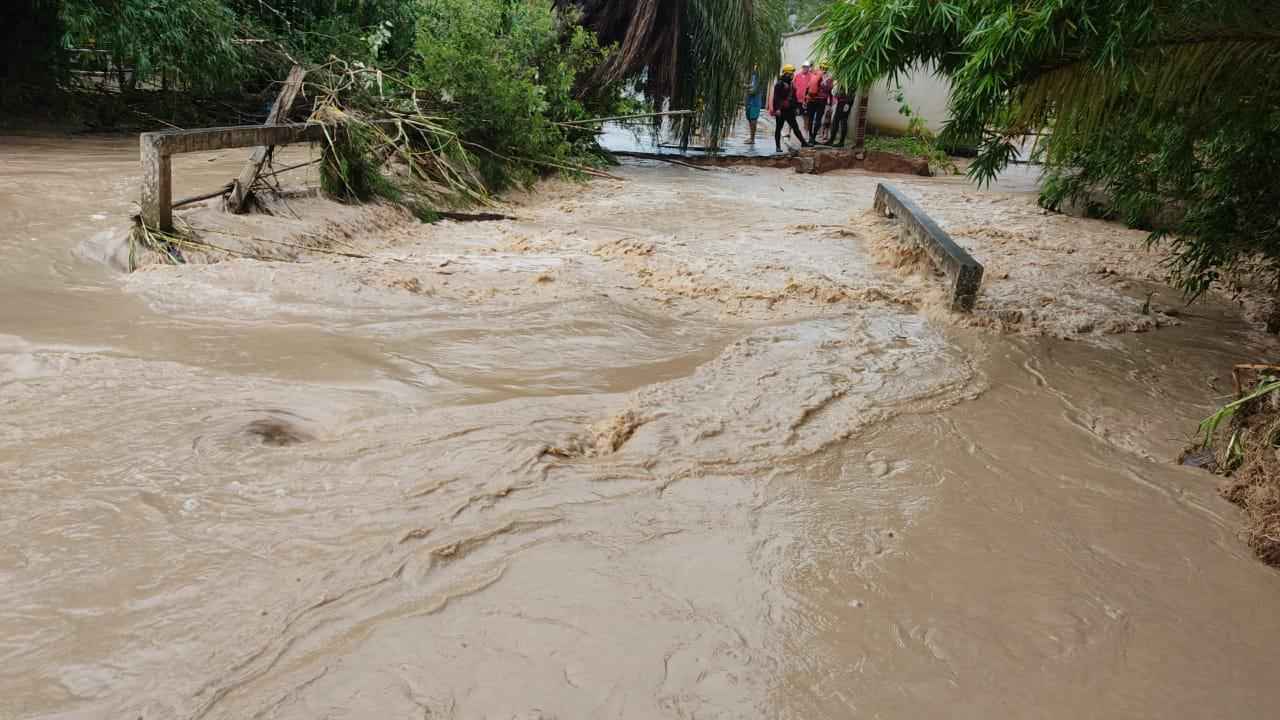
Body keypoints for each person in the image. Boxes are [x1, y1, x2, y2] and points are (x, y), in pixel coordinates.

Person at [772, 64, 808, 153]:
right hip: (781, 110)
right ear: (786, 74)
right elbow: (776, 98)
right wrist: (777, 109)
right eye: (791, 74)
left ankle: (803, 142)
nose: (792, 75)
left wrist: (796, 108)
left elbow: (794, 98)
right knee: (778, 128)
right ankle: (778, 147)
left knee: (795, 127)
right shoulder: (779, 84)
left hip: (790, 110)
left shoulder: (791, 84)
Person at [807, 61, 833, 145]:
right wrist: (830, 103)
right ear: (827, 68)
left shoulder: (814, 74)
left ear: (820, 66)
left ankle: (810, 138)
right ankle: (813, 138)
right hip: (822, 101)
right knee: (818, 120)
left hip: (811, 99)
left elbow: (808, 87)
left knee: (810, 119)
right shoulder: (829, 77)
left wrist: (805, 99)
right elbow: (829, 90)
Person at [793, 61, 814, 137]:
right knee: (792, 115)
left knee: (806, 117)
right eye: (804, 67)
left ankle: (806, 133)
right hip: (796, 99)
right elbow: (793, 86)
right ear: (802, 67)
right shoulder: (797, 75)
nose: (805, 68)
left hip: (806, 100)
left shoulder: (811, 76)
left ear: (809, 68)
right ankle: (788, 132)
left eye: (807, 67)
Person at [744, 65, 762, 145]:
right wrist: (746, 86)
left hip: (755, 103)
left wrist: (745, 88)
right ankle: (751, 137)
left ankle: (752, 139)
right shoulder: (753, 76)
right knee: (750, 120)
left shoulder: (760, 78)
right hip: (749, 102)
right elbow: (751, 86)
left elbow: (754, 91)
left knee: (753, 120)